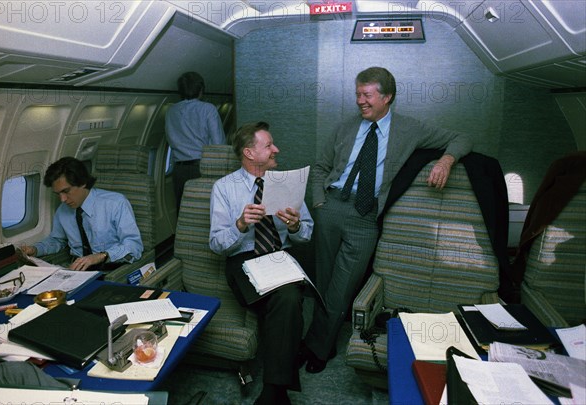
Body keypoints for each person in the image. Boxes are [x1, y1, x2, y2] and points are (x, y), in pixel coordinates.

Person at [301, 66, 473, 373]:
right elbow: (319, 168)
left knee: (341, 289)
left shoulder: (410, 129)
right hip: (331, 208)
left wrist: (446, 160)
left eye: (367, 95)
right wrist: (319, 202)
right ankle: (316, 339)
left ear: (387, 97)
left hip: (366, 218)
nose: (360, 101)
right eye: (357, 94)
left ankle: (318, 348)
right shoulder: (344, 128)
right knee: (322, 282)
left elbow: (461, 137)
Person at [209, 121, 314, 405]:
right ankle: (278, 390)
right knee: (288, 301)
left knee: (286, 299)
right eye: (268, 145)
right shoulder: (224, 188)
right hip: (243, 262)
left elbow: (307, 233)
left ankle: (273, 392)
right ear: (249, 153)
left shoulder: (287, 182)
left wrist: (294, 227)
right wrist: (240, 225)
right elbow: (216, 244)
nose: (276, 149)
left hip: (280, 257)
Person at [21, 157, 143, 271]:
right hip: (77, 271)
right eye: (58, 194)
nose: (62, 199)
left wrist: (101, 256)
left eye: (66, 191)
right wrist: (36, 249)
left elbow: (134, 245)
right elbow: (57, 240)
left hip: (111, 269)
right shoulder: (63, 210)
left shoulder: (116, 203)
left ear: (83, 182)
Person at [165, 71, 226, 210]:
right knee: (205, 211)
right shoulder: (208, 109)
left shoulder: (171, 111)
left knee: (183, 211)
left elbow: (169, 138)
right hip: (203, 168)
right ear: (201, 90)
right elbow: (219, 144)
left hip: (179, 170)